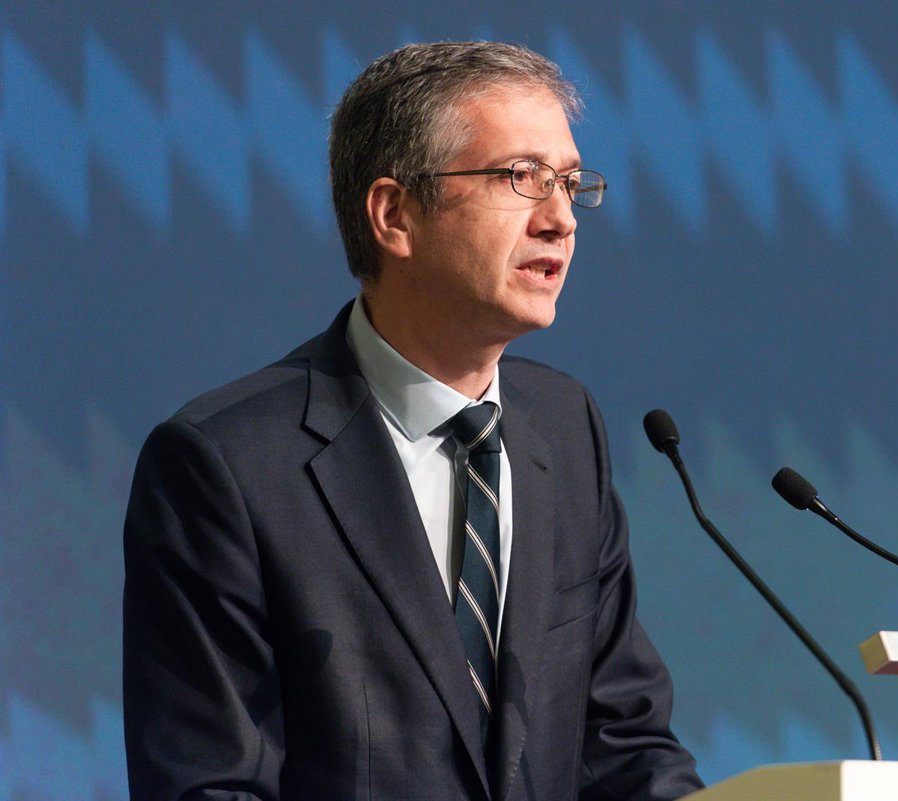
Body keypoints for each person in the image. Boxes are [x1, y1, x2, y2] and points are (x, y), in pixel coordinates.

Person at [122, 41, 703, 801]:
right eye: (522, 177)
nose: (561, 219)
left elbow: (623, 742)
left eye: (568, 183)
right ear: (395, 215)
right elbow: (210, 784)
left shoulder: (565, 429)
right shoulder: (226, 465)